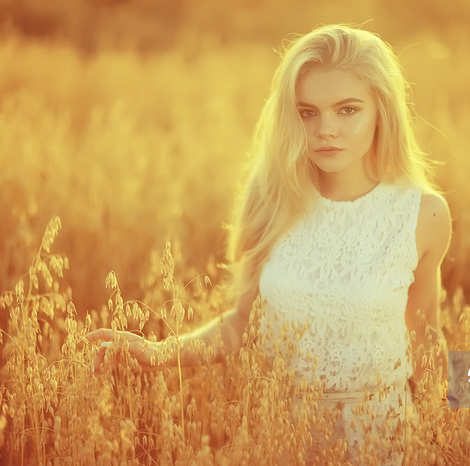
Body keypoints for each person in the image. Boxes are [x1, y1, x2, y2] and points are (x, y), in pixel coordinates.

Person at [86, 24, 451, 463]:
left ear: (382, 110)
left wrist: (443, 434)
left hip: (382, 437)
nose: (325, 130)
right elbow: (243, 323)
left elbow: (427, 335)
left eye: (347, 110)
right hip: (284, 434)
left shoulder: (423, 214)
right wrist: (160, 352)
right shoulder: (274, 199)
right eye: (307, 112)